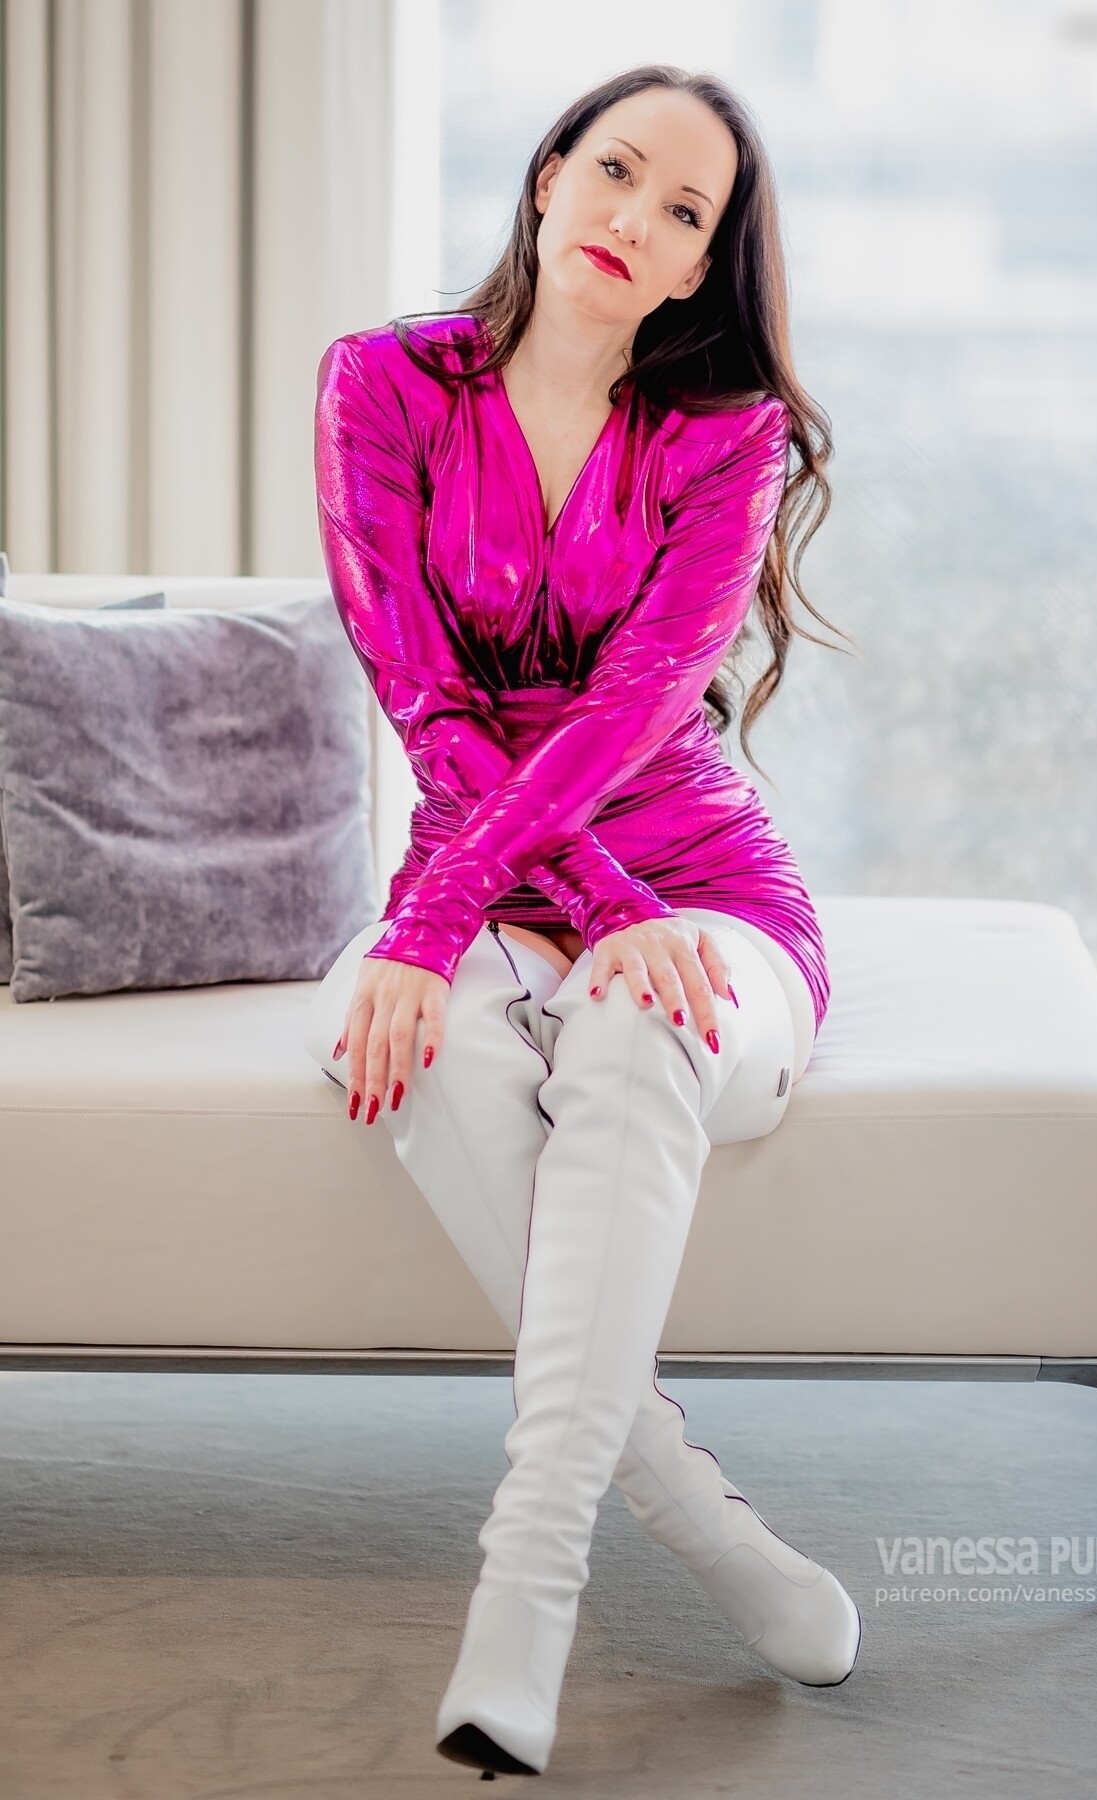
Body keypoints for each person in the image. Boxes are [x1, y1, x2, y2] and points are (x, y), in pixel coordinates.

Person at [302, 65, 861, 1779]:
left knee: (638, 1016)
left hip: (708, 889)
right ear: (548, 177)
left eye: (684, 211)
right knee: (390, 1033)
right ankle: (705, 1525)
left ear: (701, 268)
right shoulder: (382, 385)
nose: (635, 218)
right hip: (497, 866)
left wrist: (624, 918)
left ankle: (526, 1593)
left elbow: (632, 719)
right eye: (616, 171)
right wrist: (538, 913)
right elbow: (425, 702)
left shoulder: (723, 433)